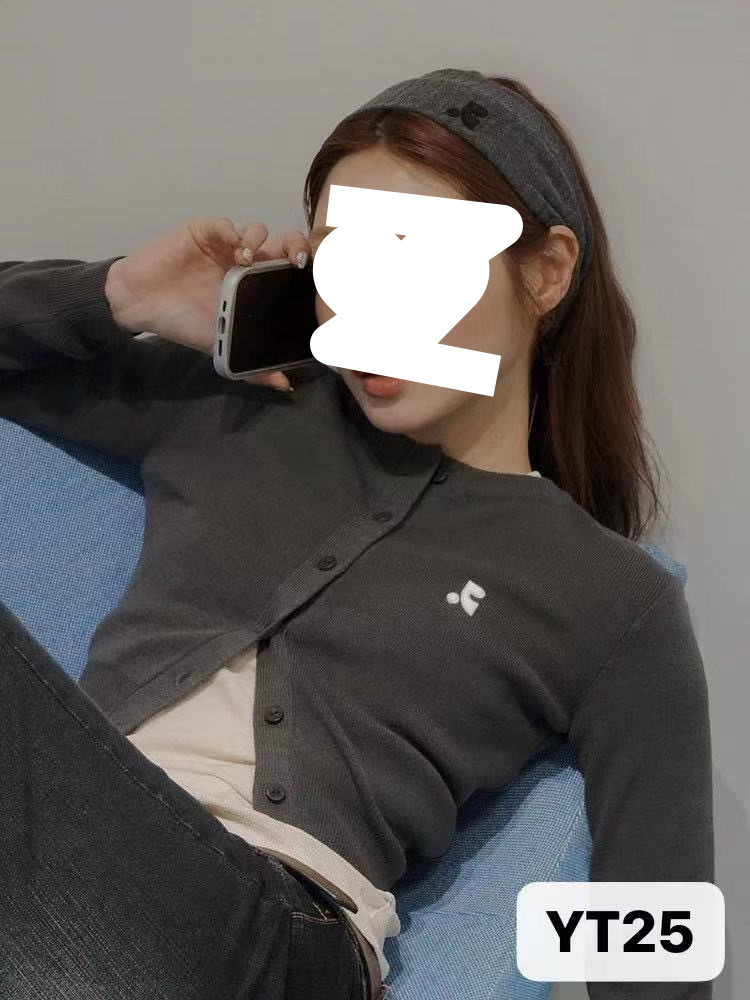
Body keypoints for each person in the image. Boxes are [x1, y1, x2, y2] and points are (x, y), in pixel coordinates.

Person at [0, 68, 713, 1000]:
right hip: (62, 866)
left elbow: (659, 939)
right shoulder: (237, 408)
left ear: (545, 272)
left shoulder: (613, 597)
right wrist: (121, 295)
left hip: (270, 936)